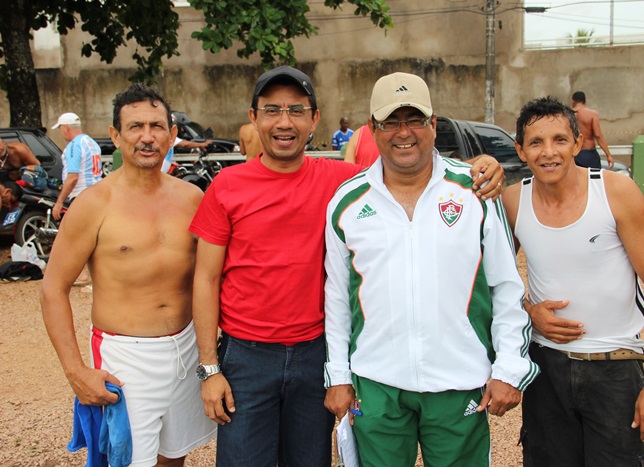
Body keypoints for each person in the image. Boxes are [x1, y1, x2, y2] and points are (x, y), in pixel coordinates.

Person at [189, 66, 505, 466]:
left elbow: (406, 165)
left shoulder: (342, 182)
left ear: (314, 119)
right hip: (246, 358)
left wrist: (481, 165)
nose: (284, 122)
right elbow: (206, 278)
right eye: (272, 111)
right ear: (253, 118)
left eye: (296, 111)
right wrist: (209, 368)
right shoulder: (227, 186)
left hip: (313, 353)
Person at [323, 72, 538, 467]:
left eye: (415, 120)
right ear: (373, 129)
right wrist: (337, 375)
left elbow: (506, 287)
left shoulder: (474, 192)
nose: (404, 132)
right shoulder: (347, 203)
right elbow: (336, 297)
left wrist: (510, 366)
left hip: (459, 382)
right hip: (376, 385)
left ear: (433, 125)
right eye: (391, 121)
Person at [40, 83, 215, 467]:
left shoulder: (192, 198)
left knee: (174, 456)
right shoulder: (93, 205)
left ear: (172, 135)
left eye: (156, 126)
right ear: (116, 135)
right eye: (135, 127)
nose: (147, 137)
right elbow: (53, 288)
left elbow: (211, 279)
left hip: (185, 349)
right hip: (126, 357)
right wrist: (75, 371)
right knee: (129, 460)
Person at [502, 96, 644, 466]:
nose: (548, 152)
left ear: (578, 143)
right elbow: (493, 281)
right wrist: (530, 311)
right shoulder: (515, 201)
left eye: (559, 140)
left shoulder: (614, 192)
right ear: (520, 150)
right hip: (546, 365)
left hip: (614, 365)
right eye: (536, 142)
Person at [51, 112, 103, 220]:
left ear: (65, 127)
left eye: (60, 128)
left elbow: (73, 177)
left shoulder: (74, 146)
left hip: (82, 196)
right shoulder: (92, 143)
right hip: (97, 194)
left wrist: (59, 202)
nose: (61, 132)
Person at [570, 91, 614, 169]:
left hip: (573, 153)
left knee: (576, 180)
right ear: (585, 102)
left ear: (573, 102)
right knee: (593, 179)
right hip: (589, 153)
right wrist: (608, 155)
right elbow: (598, 135)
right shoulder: (592, 114)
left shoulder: (567, 114)